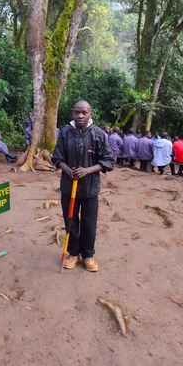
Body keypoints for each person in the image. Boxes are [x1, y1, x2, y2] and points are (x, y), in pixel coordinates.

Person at [52, 101, 114, 272]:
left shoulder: (99, 134)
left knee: (89, 223)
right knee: (70, 221)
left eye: (84, 112)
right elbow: (57, 158)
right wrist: (68, 171)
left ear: (90, 114)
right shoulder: (65, 133)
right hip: (68, 188)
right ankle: (73, 253)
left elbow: (108, 161)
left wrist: (87, 170)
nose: (80, 116)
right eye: (77, 112)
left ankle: (87, 255)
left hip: (90, 189)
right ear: (73, 114)